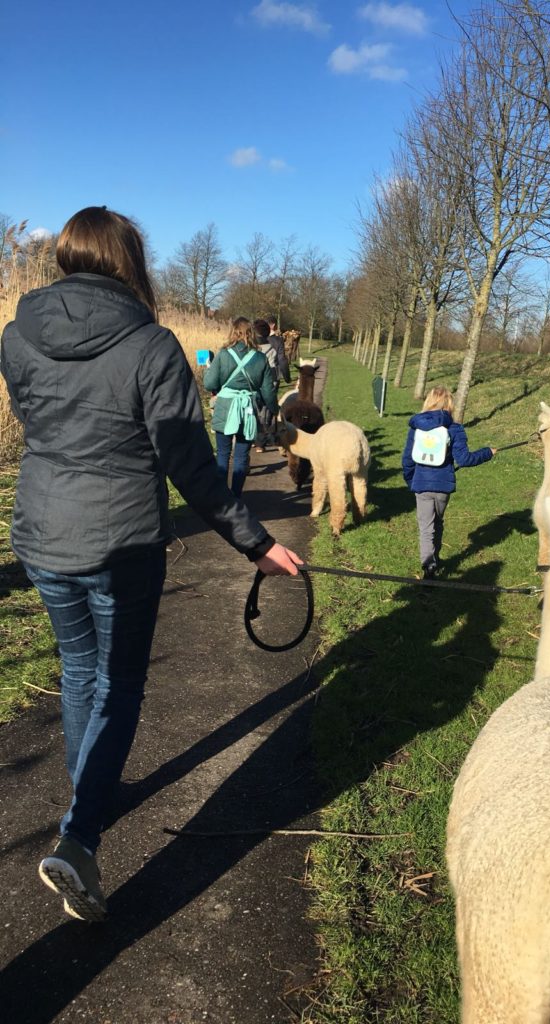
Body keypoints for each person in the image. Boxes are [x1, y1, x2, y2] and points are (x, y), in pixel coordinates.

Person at [0, 206, 302, 922]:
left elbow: (39, 421)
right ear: (130, 262)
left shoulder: (17, 335)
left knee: (80, 671)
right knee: (120, 682)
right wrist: (258, 545)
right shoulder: (152, 346)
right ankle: (79, 838)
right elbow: (191, 468)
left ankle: (89, 786)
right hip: (121, 545)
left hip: (42, 537)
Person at [402, 386, 496, 579]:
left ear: (429, 401)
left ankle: (429, 566)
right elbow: (464, 459)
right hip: (443, 485)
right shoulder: (454, 428)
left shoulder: (416, 427)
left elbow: (407, 459)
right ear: (449, 404)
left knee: (425, 527)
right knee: (438, 522)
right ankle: (435, 557)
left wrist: (412, 480)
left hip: (421, 484)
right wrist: (488, 452)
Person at [203, 317, 277, 494]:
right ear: (251, 333)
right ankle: (236, 496)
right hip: (247, 410)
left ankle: (222, 497)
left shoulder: (223, 354)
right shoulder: (260, 358)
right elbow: (268, 392)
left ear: (233, 332)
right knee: (241, 456)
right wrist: (275, 411)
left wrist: (208, 368)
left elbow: (209, 384)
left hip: (225, 408)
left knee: (222, 454)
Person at [253, 318, 279, 447]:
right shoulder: (271, 350)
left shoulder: (250, 350)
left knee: (254, 411)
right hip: (268, 381)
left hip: (253, 381)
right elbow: (274, 368)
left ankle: (254, 439)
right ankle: (262, 441)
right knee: (266, 412)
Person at [266, 315, 291, 384]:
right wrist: (287, 378)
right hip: (273, 375)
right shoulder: (278, 340)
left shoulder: (257, 339)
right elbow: (282, 360)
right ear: (273, 325)